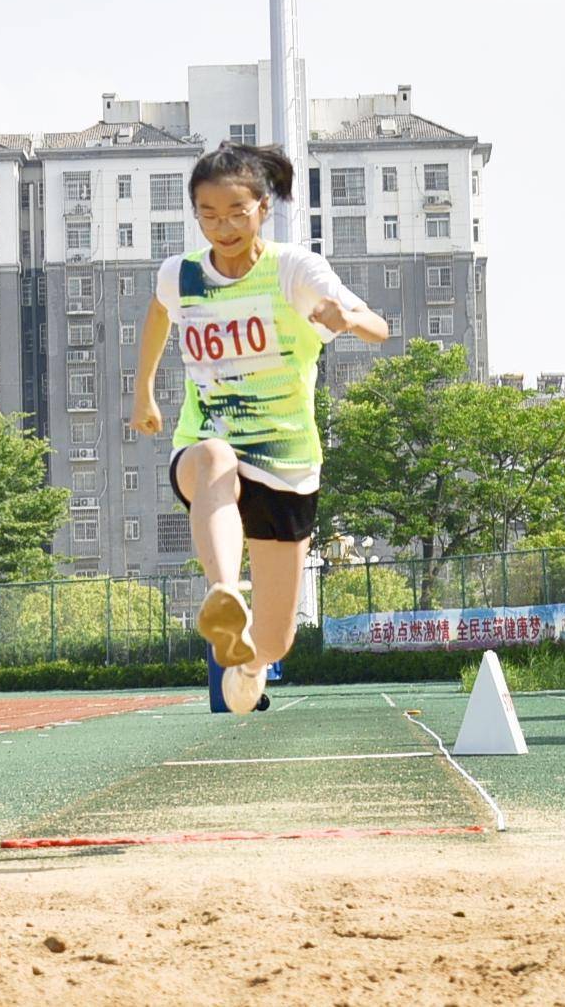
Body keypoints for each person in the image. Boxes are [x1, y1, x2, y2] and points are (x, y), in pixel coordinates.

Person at [131, 142, 389, 715]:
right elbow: (156, 313)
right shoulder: (182, 276)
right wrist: (143, 390)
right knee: (214, 458)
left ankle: (251, 664)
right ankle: (224, 593)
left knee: (277, 639)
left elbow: (379, 326)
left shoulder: (293, 269)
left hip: (287, 462)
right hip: (210, 442)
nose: (223, 227)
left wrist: (344, 317)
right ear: (196, 214)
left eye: (236, 213)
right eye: (209, 215)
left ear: (263, 209)